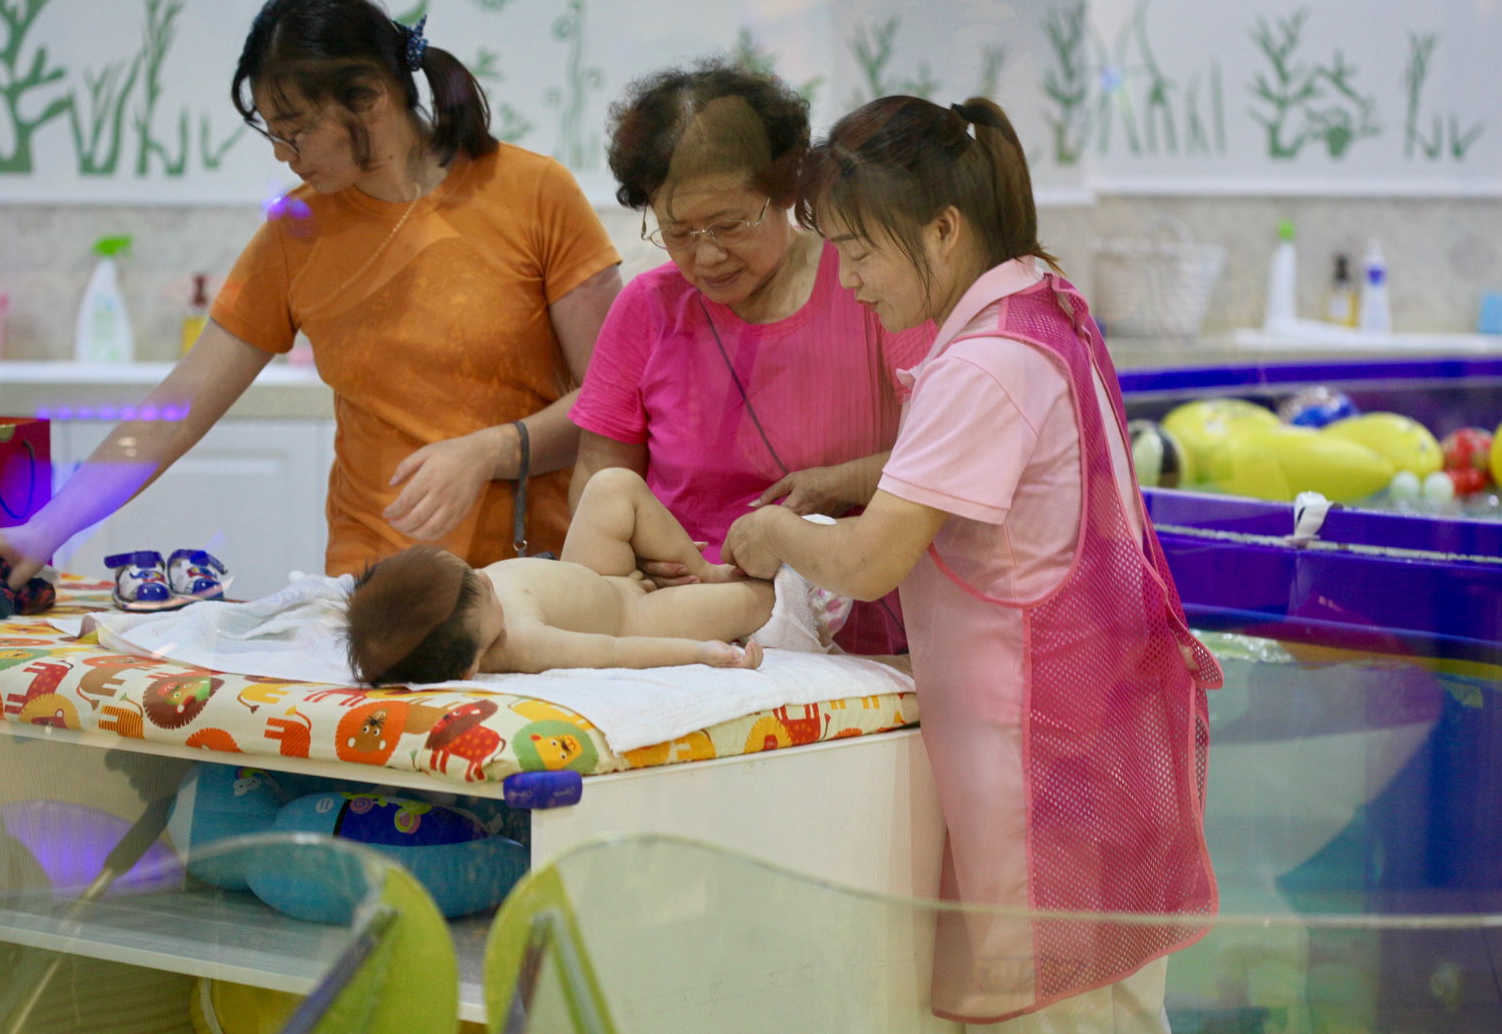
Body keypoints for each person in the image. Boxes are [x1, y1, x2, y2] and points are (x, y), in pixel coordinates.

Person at [721, 97, 1223, 1029]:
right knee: (1107, 1003)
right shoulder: (1043, 306)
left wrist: (775, 537)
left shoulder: (984, 363)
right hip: (1101, 740)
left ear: (943, 230)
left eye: (862, 252)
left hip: (1047, 766)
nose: (852, 281)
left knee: (1056, 1007)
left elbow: (869, 563)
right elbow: (992, 460)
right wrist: (849, 476)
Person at [0, 0, 621, 591]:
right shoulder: (297, 231)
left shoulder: (534, 193)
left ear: (370, 98)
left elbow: (615, 405)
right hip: (378, 595)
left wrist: (490, 450)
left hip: (540, 582)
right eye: (273, 132)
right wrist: (45, 528)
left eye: (295, 130)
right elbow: (177, 404)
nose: (280, 153)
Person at [567, 61, 934, 656]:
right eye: (678, 232)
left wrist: (839, 483)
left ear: (786, 190)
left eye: (729, 224)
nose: (706, 256)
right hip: (688, 628)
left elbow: (947, 456)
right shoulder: (647, 308)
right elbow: (598, 480)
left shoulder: (871, 287)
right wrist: (638, 572)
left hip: (860, 632)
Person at [345, 468, 770, 684]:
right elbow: (613, 650)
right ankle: (767, 585)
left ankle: (704, 571)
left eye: (473, 573)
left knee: (611, 486)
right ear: (470, 668)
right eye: (480, 592)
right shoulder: (522, 642)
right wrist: (697, 652)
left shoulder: (460, 610)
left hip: (591, 569)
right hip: (636, 614)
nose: (487, 578)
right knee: (756, 600)